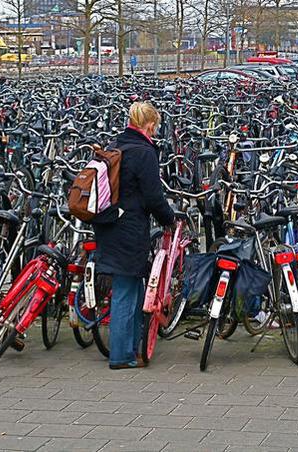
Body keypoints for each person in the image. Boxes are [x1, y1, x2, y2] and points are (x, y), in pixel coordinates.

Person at [93, 102, 174, 369]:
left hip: (109, 225)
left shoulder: (118, 145)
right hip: (128, 229)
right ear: (150, 125)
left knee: (133, 288)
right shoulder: (144, 152)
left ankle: (132, 347)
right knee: (126, 292)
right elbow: (153, 196)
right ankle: (120, 356)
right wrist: (169, 219)